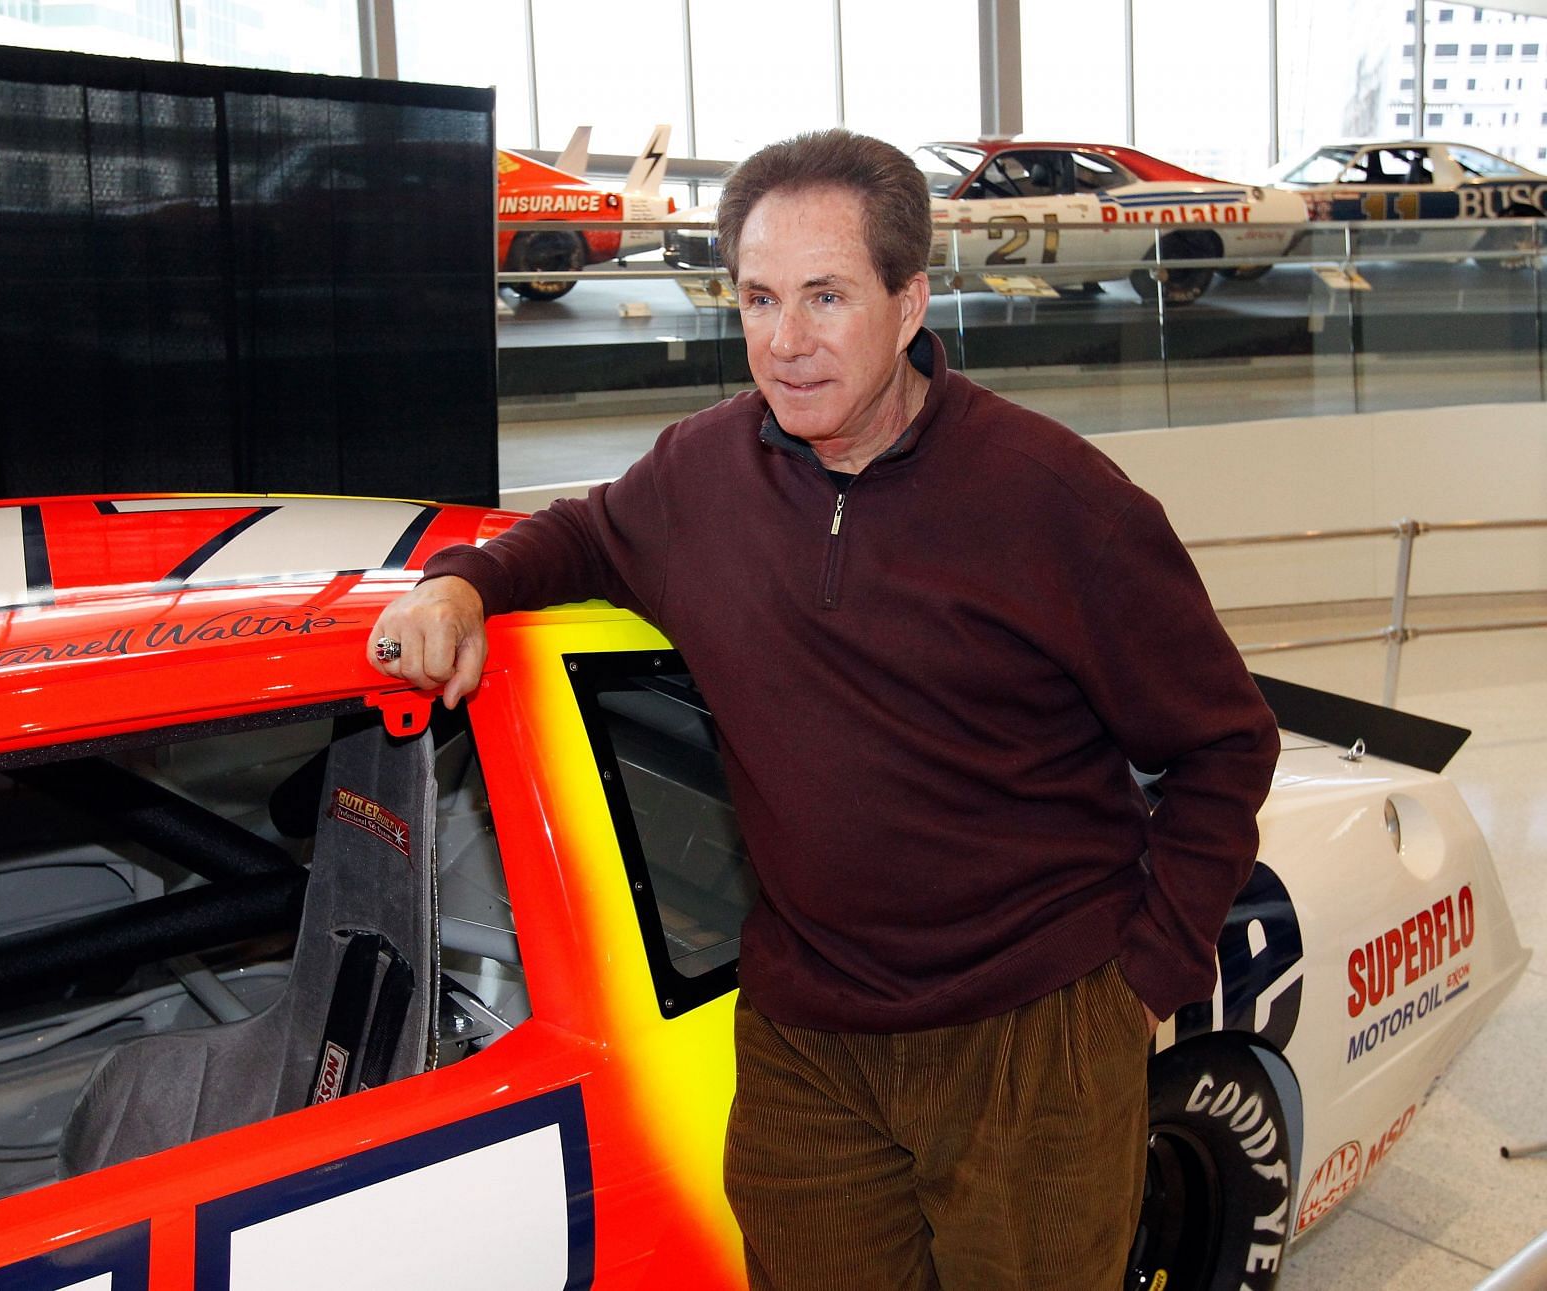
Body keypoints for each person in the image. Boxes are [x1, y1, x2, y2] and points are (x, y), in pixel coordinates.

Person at [366, 129, 1279, 1289]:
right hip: (808, 1036)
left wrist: (1144, 976)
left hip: (1031, 1033)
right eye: (756, 297)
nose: (784, 343)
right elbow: (589, 531)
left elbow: (1223, 744)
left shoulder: (1060, 506)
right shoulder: (704, 474)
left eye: (825, 297)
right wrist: (464, 582)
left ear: (909, 302)